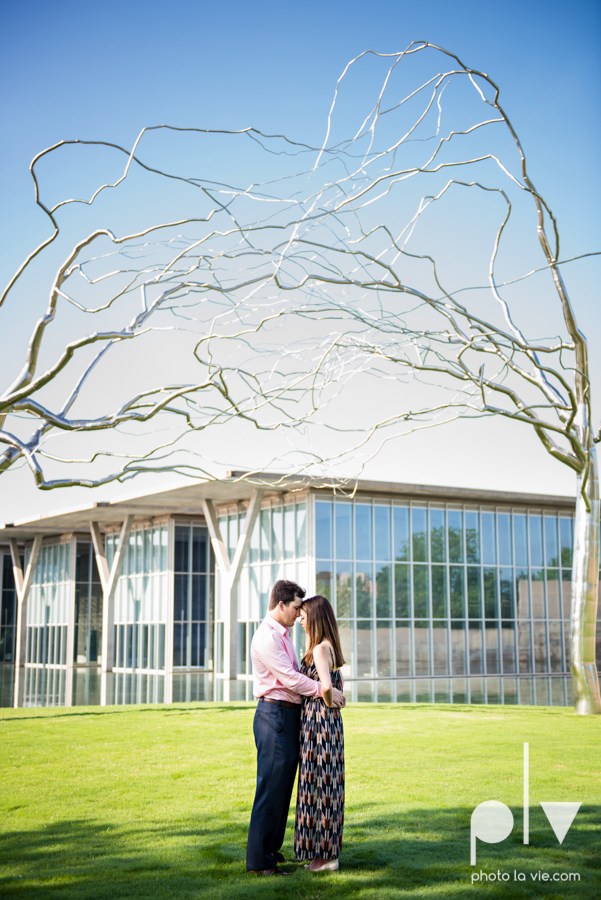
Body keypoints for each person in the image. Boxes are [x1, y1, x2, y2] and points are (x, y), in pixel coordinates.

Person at [246, 580, 346, 877]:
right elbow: (290, 679)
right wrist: (323, 689)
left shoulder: (284, 635)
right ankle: (260, 862)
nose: (297, 614)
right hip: (274, 715)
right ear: (280, 605)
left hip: (288, 716)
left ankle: (271, 851)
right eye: (294, 608)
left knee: (282, 789)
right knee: (270, 788)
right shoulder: (268, 638)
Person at [294, 594, 345, 872]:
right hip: (331, 725)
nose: (300, 620)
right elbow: (339, 687)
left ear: (314, 617)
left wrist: (326, 700)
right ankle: (323, 855)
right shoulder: (330, 648)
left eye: (303, 615)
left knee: (318, 786)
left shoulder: (318, 650)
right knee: (329, 785)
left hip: (318, 725)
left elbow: (326, 686)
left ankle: (326, 858)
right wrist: (335, 700)